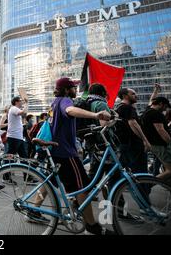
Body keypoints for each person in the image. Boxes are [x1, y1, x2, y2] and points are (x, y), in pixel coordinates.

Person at [30, 77, 113, 235]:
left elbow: (64, 123)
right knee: (82, 188)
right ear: (67, 89)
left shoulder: (55, 102)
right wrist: (96, 116)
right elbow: (70, 111)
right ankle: (92, 226)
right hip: (65, 153)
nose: (77, 90)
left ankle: (35, 209)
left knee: (50, 181)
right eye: (74, 88)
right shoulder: (65, 101)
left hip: (56, 151)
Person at [141, 97, 171, 185]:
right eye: (165, 106)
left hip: (153, 144)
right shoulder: (156, 114)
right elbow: (161, 130)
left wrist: (156, 91)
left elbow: (151, 101)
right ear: (160, 104)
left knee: (169, 170)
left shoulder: (147, 111)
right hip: (161, 145)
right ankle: (147, 185)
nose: (166, 109)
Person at [115, 88, 151, 175]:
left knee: (126, 168)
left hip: (126, 144)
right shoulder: (127, 108)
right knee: (140, 171)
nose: (136, 96)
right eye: (133, 94)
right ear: (124, 96)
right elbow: (133, 124)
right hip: (134, 145)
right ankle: (141, 188)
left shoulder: (120, 107)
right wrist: (145, 141)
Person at [3, 96, 29, 184]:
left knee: (24, 158)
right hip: (14, 137)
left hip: (18, 137)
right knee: (9, 157)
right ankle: (6, 177)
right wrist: (26, 103)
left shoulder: (15, 109)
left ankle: (27, 177)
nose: (21, 102)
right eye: (20, 101)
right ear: (16, 102)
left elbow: (23, 113)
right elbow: (23, 112)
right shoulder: (13, 108)